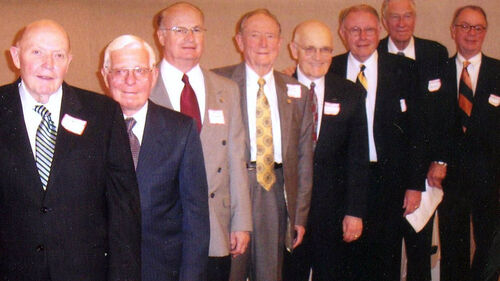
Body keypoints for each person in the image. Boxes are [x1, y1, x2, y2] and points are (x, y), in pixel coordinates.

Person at [0, 20, 141, 280]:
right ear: (16, 57)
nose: (48, 64)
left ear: (69, 61)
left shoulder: (103, 113)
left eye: (58, 55)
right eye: (37, 52)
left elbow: (124, 209)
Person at [149, 3, 251, 281]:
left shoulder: (227, 90)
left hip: (215, 228)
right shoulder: (143, 87)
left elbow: (235, 160)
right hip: (160, 232)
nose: (189, 38)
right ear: (160, 36)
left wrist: (241, 222)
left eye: (196, 30)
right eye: (179, 30)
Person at [213, 9, 314, 281]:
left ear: (280, 43)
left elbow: (305, 159)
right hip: (233, 187)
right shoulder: (217, 84)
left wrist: (300, 215)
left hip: (274, 189)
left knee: (270, 273)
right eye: (254, 36)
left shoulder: (298, 93)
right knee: (231, 271)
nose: (263, 44)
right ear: (239, 41)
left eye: (270, 36)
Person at [101, 34, 210, 281]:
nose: (131, 80)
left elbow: (196, 217)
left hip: (162, 270)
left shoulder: (180, 130)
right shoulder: (91, 129)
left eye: (140, 70)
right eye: (120, 71)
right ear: (105, 75)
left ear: (154, 75)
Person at [330, 5, 426, 280]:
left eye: (369, 29)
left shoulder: (405, 70)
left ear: (380, 31)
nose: (362, 36)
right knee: (344, 259)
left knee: (385, 261)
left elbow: (418, 131)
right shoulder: (330, 69)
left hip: (389, 182)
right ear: (342, 33)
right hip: (342, 181)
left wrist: (414, 184)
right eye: (354, 30)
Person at [282, 20, 369, 281]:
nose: (318, 57)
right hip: (290, 210)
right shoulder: (278, 88)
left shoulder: (350, 93)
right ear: (294, 48)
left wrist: (355, 212)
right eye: (310, 49)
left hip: (333, 212)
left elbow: (358, 157)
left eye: (325, 50)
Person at [378, 1, 449, 280]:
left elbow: (445, 112)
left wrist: (440, 159)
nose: (401, 22)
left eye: (407, 16)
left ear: (415, 18)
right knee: (386, 250)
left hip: (425, 169)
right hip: (385, 174)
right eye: (394, 17)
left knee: (420, 249)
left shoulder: (435, 53)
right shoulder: (373, 52)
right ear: (385, 21)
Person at [435, 5, 499, 281]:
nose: (471, 33)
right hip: (450, 176)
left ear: (485, 32)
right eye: (465, 26)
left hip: (491, 176)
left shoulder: (498, 71)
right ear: (453, 31)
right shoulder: (438, 71)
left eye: (478, 27)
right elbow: (430, 125)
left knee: (490, 244)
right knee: (453, 246)